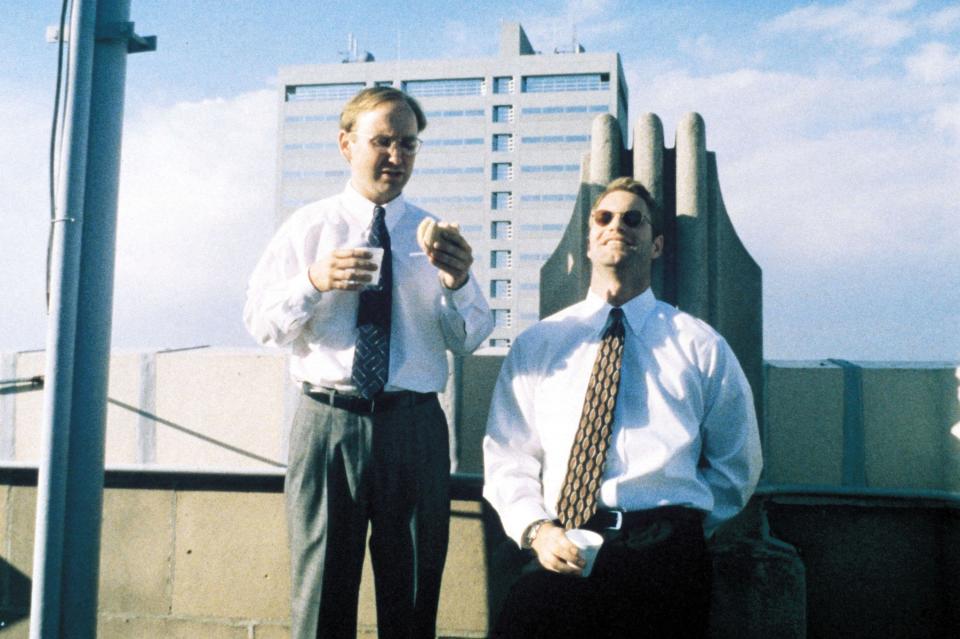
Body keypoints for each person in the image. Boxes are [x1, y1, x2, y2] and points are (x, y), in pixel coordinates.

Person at [244, 86, 493, 639]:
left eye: (408, 144)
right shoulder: (309, 228)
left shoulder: (436, 237)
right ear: (346, 145)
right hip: (328, 424)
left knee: (409, 600)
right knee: (321, 598)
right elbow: (262, 324)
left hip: (414, 427)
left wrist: (458, 282)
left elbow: (471, 337)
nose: (396, 157)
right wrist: (313, 282)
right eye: (382, 141)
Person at [482, 177, 762, 638]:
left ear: (655, 245)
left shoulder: (699, 345)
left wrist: (679, 528)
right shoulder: (539, 344)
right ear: (589, 240)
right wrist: (537, 530)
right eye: (605, 217)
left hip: (664, 559)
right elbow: (508, 455)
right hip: (563, 544)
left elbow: (739, 462)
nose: (618, 226)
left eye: (634, 219)